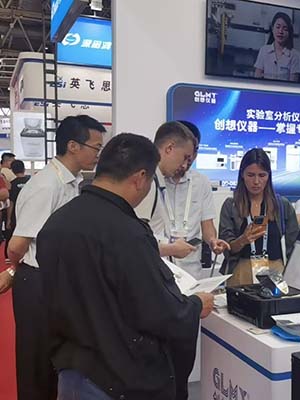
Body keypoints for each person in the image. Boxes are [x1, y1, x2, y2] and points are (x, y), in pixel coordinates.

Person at [36, 133, 214, 400]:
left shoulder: (57, 223)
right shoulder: (128, 233)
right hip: (116, 379)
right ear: (140, 178)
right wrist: (196, 305)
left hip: (71, 370)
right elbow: (158, 311)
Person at [3, 115, 105, 400]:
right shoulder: (48, 185)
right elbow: (17, 245)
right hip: (38, 282)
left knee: (54, 358)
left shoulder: (70, 183)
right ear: (73, 146)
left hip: (56, 281)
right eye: (96, 147)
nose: (98, 155)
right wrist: (15, 270)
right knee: (36, 362)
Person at [219, 148, 299, 286]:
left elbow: (295, 247)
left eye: (262, 175)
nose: (256, 181)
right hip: (241, 273)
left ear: (269, 176)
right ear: (242, 174)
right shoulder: (231, 205)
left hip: (276, 272)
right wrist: (242, 240)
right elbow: (226, 247)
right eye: (250, 175)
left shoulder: (282, 205)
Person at [164, 120, 229, 278]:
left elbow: (207, 225)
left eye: (196, 150)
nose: (191, 158)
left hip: (191, 269)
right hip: (162, 265)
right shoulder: (155, 180)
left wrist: (213, 241)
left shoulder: (201, 182)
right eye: (186, 153)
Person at [135, 121, 199, 260]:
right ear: (169, 148)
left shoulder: (157, 181)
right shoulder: (147, 183)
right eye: (185, 157)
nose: (184, 165)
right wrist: (172, 249)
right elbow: (136, 241)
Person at [254, 12, 300, 82]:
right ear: (272, 28)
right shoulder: (263, 50)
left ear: (289, 32)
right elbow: (257, 79)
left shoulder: (295, 55)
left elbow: (293, 84)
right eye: (278, 27)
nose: (280, 31)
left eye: (285, 29)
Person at [5, 160, 30, 259]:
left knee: (14, 235)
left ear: (12, 170)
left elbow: (11, 203)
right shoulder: (31, 182)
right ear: (24, 169)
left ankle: (9, 257)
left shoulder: (12, 184)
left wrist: (8, 219)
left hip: (16, 214)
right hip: (29, 214)